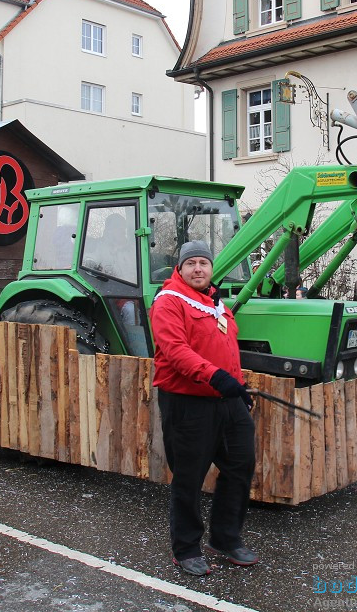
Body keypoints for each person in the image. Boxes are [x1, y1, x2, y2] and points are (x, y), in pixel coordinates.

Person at [148, 241, 257, 576]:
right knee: (189, 477)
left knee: (241, 467)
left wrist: (236, 384)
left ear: (211, 269)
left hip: (227, 400)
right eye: (191, 263)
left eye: (203, 263)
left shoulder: (217, 304)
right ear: (179, 269)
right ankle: (186, 548)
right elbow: (175, 351)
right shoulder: (168, 302)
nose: (198, 268)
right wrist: (217, 377)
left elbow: (227, 348)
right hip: (188, 403)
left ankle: (225, 537)